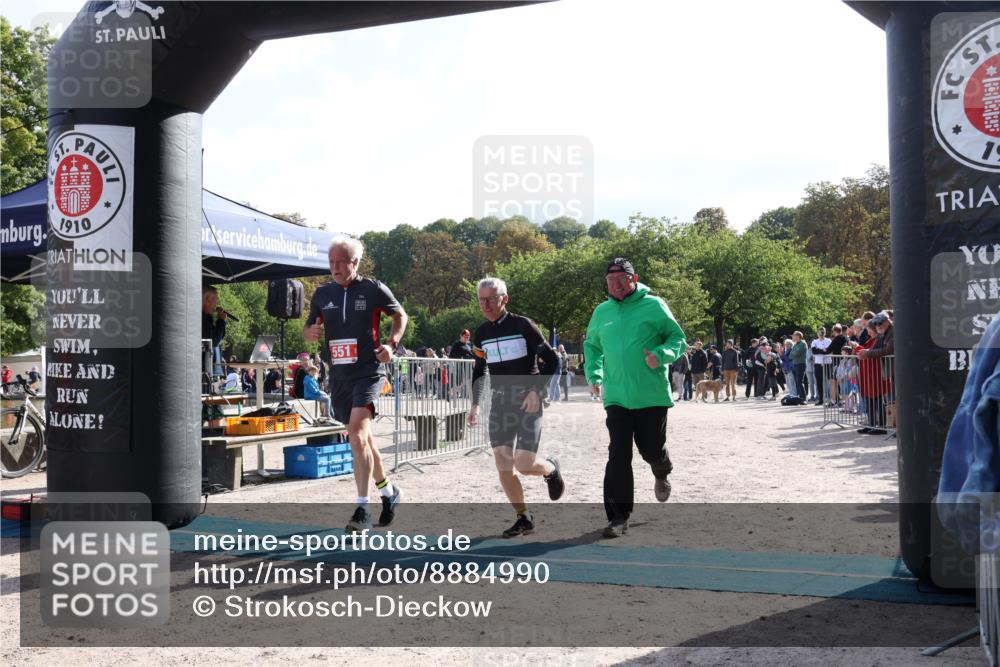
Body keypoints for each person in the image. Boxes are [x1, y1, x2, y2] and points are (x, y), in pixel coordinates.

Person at [304, 236, 407, 532]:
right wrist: (310, 331)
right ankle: (389, 493)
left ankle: (362, 507)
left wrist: (392, 344)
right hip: (339, 376)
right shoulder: (323, 294)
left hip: (369, 371)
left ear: (355, 262)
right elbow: (311, 325)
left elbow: (400, 315)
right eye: (331, 262)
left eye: (340, 262)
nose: (334, 267)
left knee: (358, 437)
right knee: (363, 440)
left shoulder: (373, 289)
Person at [584, 257, 686, 538]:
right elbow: (591, 345)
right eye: (610, 281)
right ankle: (618, 517)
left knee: (651, 448)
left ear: (634, 278)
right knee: (618, 453)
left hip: (650, 394)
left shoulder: (654, 305)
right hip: (616, 395)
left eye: (621, 280)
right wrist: (594, 375)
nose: (615, 286)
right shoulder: (602, 311)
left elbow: (678, 339)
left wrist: (661, 355)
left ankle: (661, 467)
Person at [467, 277, 565, 538]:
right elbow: (479, 370)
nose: (485, 305)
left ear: (504, 299)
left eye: (491, 299)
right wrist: (475, 404)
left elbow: (552, 360)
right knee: (503, 464)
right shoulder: (481, 333)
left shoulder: (523, 325)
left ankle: (551, 469)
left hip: (527, 400)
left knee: (524, 464)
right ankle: (523, 517)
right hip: (499, 402)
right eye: (481, 300)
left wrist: (537, 390)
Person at [202, 285, 227, 376]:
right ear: (207, 300)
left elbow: (219, 338)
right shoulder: (202, 318)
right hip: (203, 369)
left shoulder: (207, 317)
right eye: (215, 300)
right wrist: (221, 321)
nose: (216, 305)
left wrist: (222, 322)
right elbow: (214, 341)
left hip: (209, 368)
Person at [827, 324, 849, 406]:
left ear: (834, 331)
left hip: (837, 362)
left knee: (834, 381)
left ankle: (834, 401)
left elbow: (828, 349)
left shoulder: (836, 339)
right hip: (844, 361)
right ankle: (842, 400)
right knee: (841, 381)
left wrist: (822, 350)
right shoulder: (845, 338)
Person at [810, 327, 831, 406]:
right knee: (819, 382)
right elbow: (814, 351)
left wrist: (820, 350)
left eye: (822, 332)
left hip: (827, 363)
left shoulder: (828, 341)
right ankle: (821, 399)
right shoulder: (814, 341)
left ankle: (832, 399)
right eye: (820, 332)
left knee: (830, 381)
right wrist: (823, 351)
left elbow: (829, 350)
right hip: (818, 363)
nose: (821, 333)